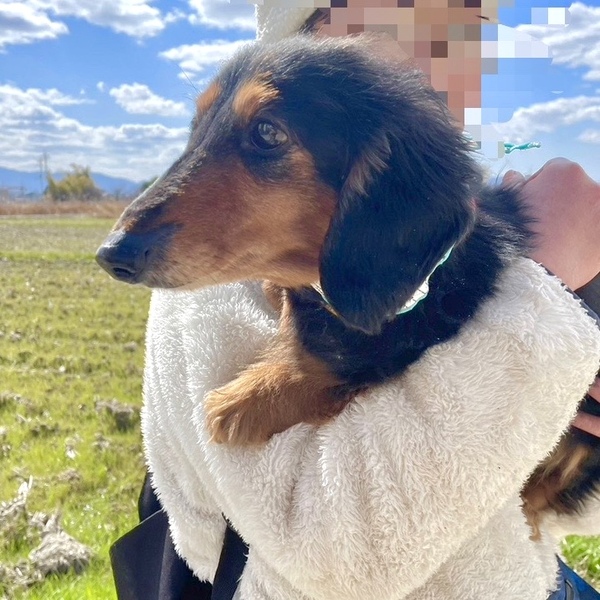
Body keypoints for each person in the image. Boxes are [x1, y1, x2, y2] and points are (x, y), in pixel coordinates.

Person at [111, 3, 600, 599]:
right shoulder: (223, 280)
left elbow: (555, 509)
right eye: (392, 19)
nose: (441, 54)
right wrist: (546, 283)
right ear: (307, 35)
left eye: (467, 31)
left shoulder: (439, 224)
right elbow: (342, 561)